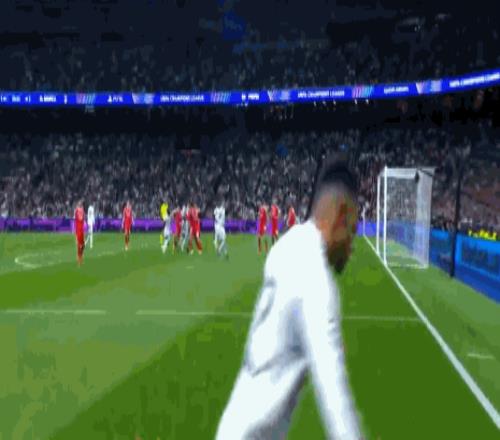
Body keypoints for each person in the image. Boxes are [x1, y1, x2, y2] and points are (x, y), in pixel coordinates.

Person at [216, 158, 362, 439]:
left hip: (236, 424)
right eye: (352, 231)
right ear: (340, 217)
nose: (351, 247)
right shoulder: (315, 281)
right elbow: (334, 396)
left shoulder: (289, 244)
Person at [74, 200, 85, 266]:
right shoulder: (77, 211)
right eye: (79, 204)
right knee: (79, 246)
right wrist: (80, 210)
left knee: (83, 245)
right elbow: (79, 218)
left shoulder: (82, 210)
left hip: (82, 230)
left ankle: (81, 257)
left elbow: (82, 218)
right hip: (78, 230)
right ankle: (79, 260)